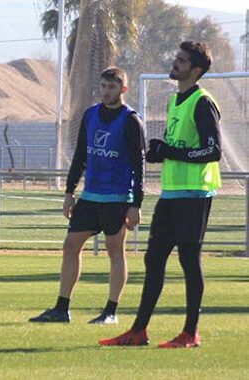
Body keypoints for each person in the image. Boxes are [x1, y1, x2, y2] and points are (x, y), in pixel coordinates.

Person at [100, 41, 221, 348]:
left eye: (181, 60)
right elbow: (181, 148)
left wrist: (172, 151)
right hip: (171, 195)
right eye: (176, 56)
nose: (174, 62)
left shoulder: (202, 102)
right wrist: (160, 153)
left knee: (189, 261)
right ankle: (139, 331)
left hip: (194, 195)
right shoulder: (175, 100)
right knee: (154, 259)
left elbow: (213, 150)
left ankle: (190, 333)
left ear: (195, 69)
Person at [29, 67, 145, 324]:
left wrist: (136, 204)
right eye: (103, 86)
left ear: (123, 89)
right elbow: (80, 155)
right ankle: (61, 308)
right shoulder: (90, 115)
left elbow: (140, 164)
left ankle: (111, 311)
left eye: (112, 87)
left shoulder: (130, 120)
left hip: (117, 198)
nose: (106, 92)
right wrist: (69, 192)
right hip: (90, 196)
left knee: (115, 252)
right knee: (70, 246)